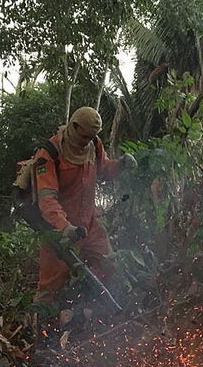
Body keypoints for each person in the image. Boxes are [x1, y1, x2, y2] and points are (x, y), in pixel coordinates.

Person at [33, 106, 136, 302]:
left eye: (90, 138)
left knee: (108, 264)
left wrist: (121, 164)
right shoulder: (49, 154)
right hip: (59, 230)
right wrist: (65, 227)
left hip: (89, 223)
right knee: (50, 285)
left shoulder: (94, 145)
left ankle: (86, 308)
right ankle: (39, 323)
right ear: (73, 126)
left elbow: (103, 169)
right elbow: (47, 199)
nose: (85, 142)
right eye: (83, 137)